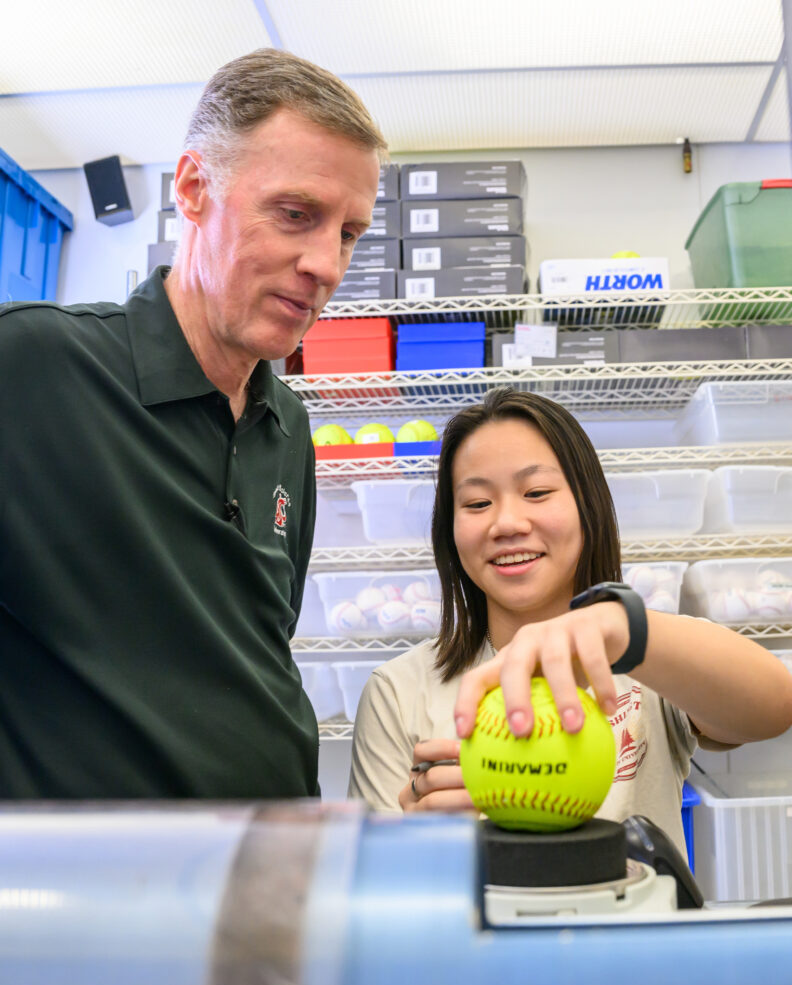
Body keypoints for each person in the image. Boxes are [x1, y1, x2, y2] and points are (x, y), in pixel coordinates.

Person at [0, 49, 386, 798]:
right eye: (296, 214)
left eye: (348, 233)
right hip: (99, 898)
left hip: (271, 875)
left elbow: (261, 652)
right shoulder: (33, 364)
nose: (326, 265)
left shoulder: (288, 423)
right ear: (193, 188)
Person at [349, 389, 792, 854]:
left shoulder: (650, 656)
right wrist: (421, 844)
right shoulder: (397, 691)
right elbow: (374, 893)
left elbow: (773, 709)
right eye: (477, 503)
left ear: (588, 504)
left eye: (536, 493)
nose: (507, 523)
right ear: (451, 530)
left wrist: (622, 631)